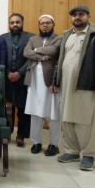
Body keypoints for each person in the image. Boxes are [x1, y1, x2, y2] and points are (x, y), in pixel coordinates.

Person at [51, 6, 95, 171]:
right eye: (74, 15)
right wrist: (54, 80)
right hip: (66, 86)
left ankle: (89, 155)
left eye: (81, 14)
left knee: (86, 122)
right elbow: (59, 60)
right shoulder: (67, 35)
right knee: (67, 120)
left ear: (88, 16)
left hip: (87, 86)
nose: (77, 17)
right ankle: (72, 151)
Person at [24, 14, 62, 156]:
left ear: (53, 24)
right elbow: (26, 52)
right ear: (39, 25)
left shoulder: (59, 38)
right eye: (42, 23)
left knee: (53, 113)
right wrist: (44, 56)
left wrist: (35, 51)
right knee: (35, 113)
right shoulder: (33, 39)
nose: (45, 25)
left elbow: (54, 50)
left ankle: (54, 144)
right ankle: (36, 142)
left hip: (51, 82)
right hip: (34, 81)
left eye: (48, 23)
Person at [1, 13, 34, 147]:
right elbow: (2, 57)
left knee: (23, 108)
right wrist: (8, 72)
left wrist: (19, 73)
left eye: (17, 22)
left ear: (22, 23)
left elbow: (32, 58)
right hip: (7, 78)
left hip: (23, 78)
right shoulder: (3, 38)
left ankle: (21, 135)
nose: (15, 24)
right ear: (9, 24)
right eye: (12, 22)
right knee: (7, 109)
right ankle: (7, 133)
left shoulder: (31, 37)